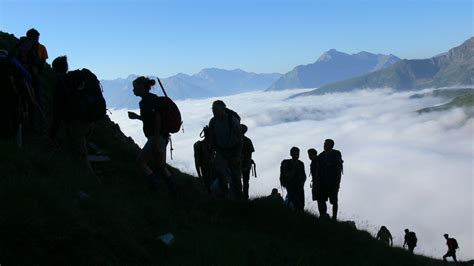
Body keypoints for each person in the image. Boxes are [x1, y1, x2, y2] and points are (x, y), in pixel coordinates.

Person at [128, 76, 176, 194]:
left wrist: (154, 140)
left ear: (142, 87)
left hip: (156, 137)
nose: (133, 90)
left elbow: (157, 119)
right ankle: (174, 191)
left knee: (140, 162)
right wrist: (137, 117)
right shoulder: (152, 99)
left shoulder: (147, 101)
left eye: (135, 88)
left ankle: (155, 187)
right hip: (162, 136)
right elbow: (150, 119)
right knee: (161, 166)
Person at [50, 56, 93, 173]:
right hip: (86, 119)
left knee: (80, 153)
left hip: (75, 122)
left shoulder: (60, 84)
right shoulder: (73, 81)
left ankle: (92, 183)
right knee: (76, 150)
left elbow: (57, 110)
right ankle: (78, 178)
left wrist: (52, 133)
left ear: (55, 69)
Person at [208, 100, 243, 199]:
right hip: (221, 151)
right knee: (221, 174)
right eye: (213, 109)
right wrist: (211, 153)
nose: (214, 112)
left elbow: (240, 139)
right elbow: (212, 138)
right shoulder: (213, 121)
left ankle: (239, 199)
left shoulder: (232, 121)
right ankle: (225, 196)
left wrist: (238, 155)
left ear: (223, 109)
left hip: (233, 152)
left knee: (236, 178)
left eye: (216, 109)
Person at [15, 28, 48, 135]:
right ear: (36, 37)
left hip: (19, 75)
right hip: (34, 76)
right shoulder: (41, 47)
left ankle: (19, 126)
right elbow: (42, 65)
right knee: (38, 101)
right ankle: (38, 128)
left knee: (20, 100)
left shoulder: (20, 44)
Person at [317, 139, 343, 220]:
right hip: (323, 183)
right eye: (324, 144)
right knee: (322, 199)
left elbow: (338, 171)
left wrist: (337, 184)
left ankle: (334, 217)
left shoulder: (335, 155)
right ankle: (323, 215)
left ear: (331, 146)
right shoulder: (321, 156)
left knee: (334, 201)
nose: (324, 145)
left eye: (326, 144)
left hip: (333, 183)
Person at [194, 126, 214, 194]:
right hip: (205, 168)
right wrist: (199, 175)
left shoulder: (213, 145)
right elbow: (197, 162)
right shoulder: (199, 145)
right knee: (208, 186)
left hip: (212, 169)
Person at [241, 124, 255, 200]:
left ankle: (243, 196)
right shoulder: (248, 141)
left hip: (242, 163)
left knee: (244, 181)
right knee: (245, 182)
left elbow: (249, 154)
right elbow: (250, 154)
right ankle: (244, 196)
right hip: (244, 163)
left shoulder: (234, 139)